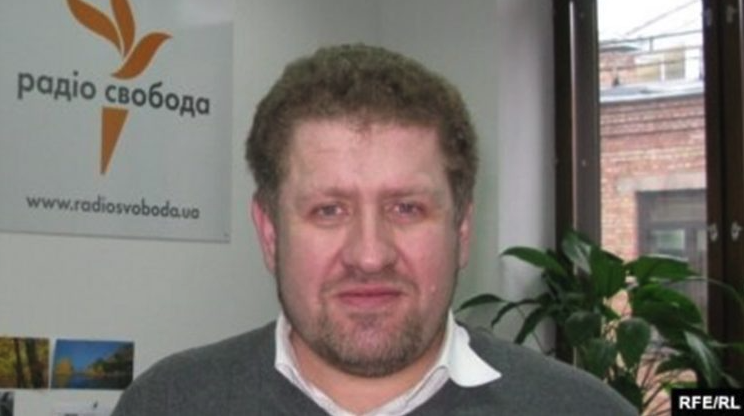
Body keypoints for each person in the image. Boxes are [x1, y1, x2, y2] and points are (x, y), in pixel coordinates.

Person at [111, 44, 637, 416]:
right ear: (269, 233)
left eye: (406, 208)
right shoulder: (167, 404)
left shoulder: (584, 411)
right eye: (328, 211)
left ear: (461, 229)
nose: (369, 255)